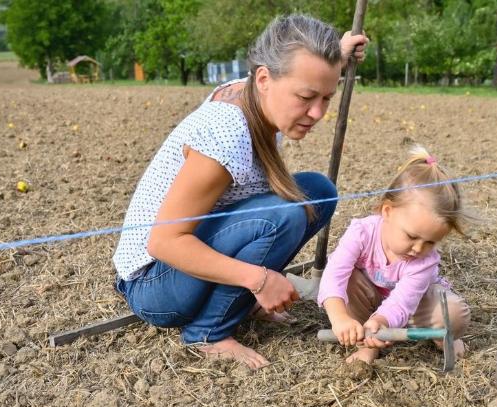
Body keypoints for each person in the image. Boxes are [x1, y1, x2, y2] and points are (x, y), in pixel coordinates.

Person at [112, 14, 367, 369]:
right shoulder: (227, 132)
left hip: (186, 261)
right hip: (153, 283)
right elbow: (163, 242)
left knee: (318, 192)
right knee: (283, 215)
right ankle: (208, 332)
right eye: (307, 96)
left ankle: (236, 303)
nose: (318, 112)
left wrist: (338, 54)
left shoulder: (256, 92)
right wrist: (259, 280)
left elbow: (300, 69)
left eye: (327, 97)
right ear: (264, 78)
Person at [317, 146, 472, 364]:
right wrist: (339, 317)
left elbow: (402, 302)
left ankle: (443, 337)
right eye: (411, 236)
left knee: (453, 314)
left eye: (430, 242)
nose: (418, 249)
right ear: (387, 211)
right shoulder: (361, 233)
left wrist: (382, 319)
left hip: (412, 307)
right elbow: (333, 275)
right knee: (348, 280)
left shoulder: (425, 261)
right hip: (367, 299)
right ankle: (366, 343)